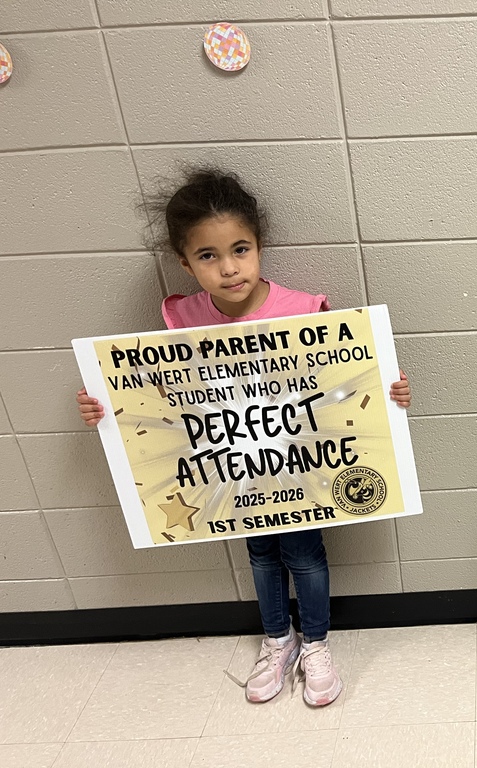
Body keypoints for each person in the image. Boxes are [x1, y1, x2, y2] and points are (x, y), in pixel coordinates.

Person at [75, 168, 412, 707]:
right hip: (231, 468)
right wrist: (106, 408)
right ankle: (278, 639)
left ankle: (317, 643)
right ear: (185, 263)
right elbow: (156, 390)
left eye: (240, 249)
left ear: (259, 247)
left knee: (304, 552)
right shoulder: (181, 316)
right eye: (208, 256)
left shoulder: (303, 309)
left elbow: (344, 384)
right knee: (259, 553)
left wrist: (388, 395)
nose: (229, 268)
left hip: (300, 463)